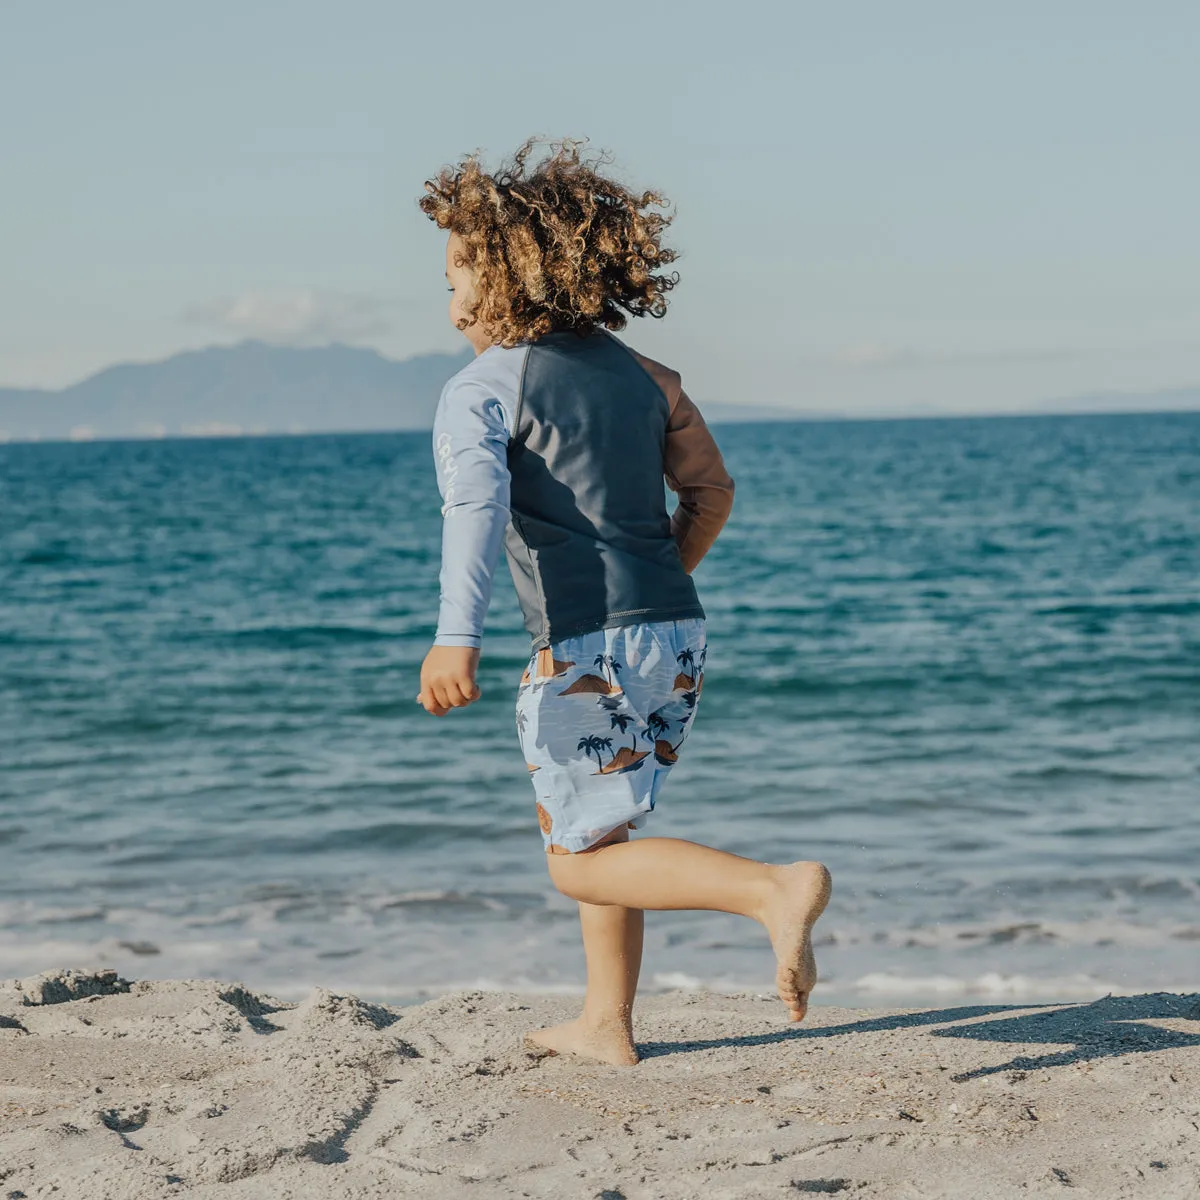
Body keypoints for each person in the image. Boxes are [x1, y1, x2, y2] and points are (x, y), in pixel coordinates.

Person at [415, 140, 831, 1066]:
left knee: (574, 860)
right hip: (675, 632)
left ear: (510, 277)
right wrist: (662, 585)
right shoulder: (649, 375)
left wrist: (456, 639)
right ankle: (606, 1020)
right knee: (594, 824)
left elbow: (475, 510)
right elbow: (712, 494)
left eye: (454, 279)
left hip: (581, 647)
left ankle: (771, 889)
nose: (446, 306)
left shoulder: (481, 389)